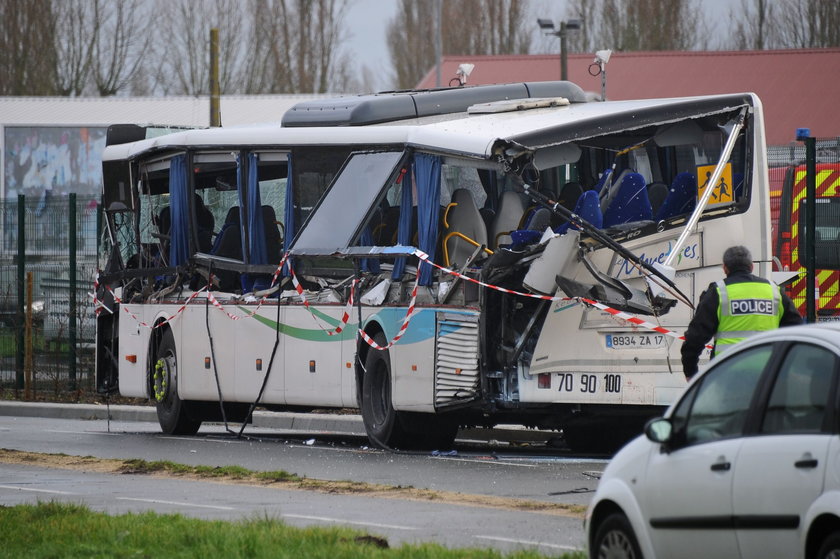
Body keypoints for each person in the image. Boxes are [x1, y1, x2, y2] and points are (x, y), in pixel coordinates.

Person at [681, 245, 801, 380]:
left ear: (725, 268)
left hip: (726, 372)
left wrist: (690, 371)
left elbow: (695, 337)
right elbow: (795, 328)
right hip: (768, 371)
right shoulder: (774, 291)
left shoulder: (719, 292)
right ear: (752, 267)